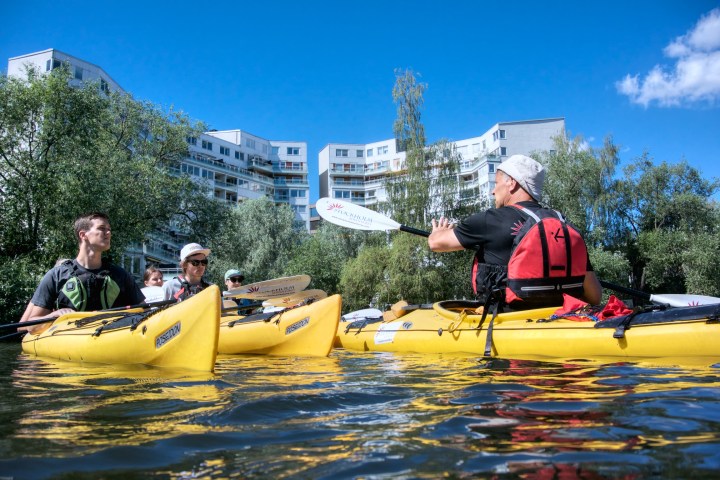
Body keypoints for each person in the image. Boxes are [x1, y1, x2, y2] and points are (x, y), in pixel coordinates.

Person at [428, 154, 602, 310]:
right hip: (557, 323)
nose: (493, 191)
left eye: (496, 183)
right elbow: (594, 296)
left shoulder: (490, 219)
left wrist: (438, 232)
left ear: (512, 183)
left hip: (505, 327)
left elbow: (436, 244)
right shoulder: (564, 226)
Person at [19, 212, 145, 331]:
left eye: (109, 229)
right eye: (102, 228)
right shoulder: (56, 275)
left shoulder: (121, 275)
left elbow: (145, 312)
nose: (108, 233)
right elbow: (30, 326)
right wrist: (55, 314)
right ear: (83, 235)